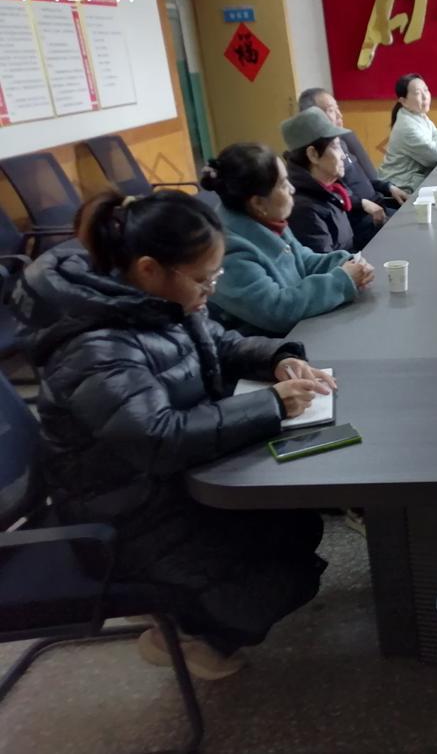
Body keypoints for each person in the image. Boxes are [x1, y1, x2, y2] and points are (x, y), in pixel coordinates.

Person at [11, 189, 333, 679]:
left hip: (159, 484)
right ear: (149, 269)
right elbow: (158, 438)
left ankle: (194, 619)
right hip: (124, 514)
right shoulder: (95, 347)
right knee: (274, 574)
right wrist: (270, 405)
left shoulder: (157, 299)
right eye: (204, 280)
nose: (211, 291)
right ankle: (189, 637)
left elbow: (218, 343)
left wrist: (276, 358)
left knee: (297, 523)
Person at [201, 142, 374, 336]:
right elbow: (278, 311)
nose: (292, 189)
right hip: (273, 346)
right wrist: (341, 280)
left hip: (306, 329)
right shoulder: (228, 252)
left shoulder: (265, 218)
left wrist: (344, 262)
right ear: (258, 202)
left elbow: (303, 260)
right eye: (283, 184)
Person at [297, 87, 407, 217]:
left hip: (379, 204)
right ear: (311, 117)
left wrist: (389, 187)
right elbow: (334, 195)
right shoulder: (318, 156)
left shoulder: (342, 142)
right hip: (363, 217)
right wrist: (362, 203)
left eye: (338, 108)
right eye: (331, 110)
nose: (340, 115)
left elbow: (365, 181)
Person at [281, 107, 370, 253]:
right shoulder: (304, 210)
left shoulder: (329, 190)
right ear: (313, 155)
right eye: (336, 147)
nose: (343, 155)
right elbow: (327, 262)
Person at [380, 73, 437, 194]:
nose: (425, 96)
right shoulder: (407, 126)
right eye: (418, 93)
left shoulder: (418, 115)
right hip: (401, 191)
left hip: (417, 183)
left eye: (426, 90)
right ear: (403, 101)